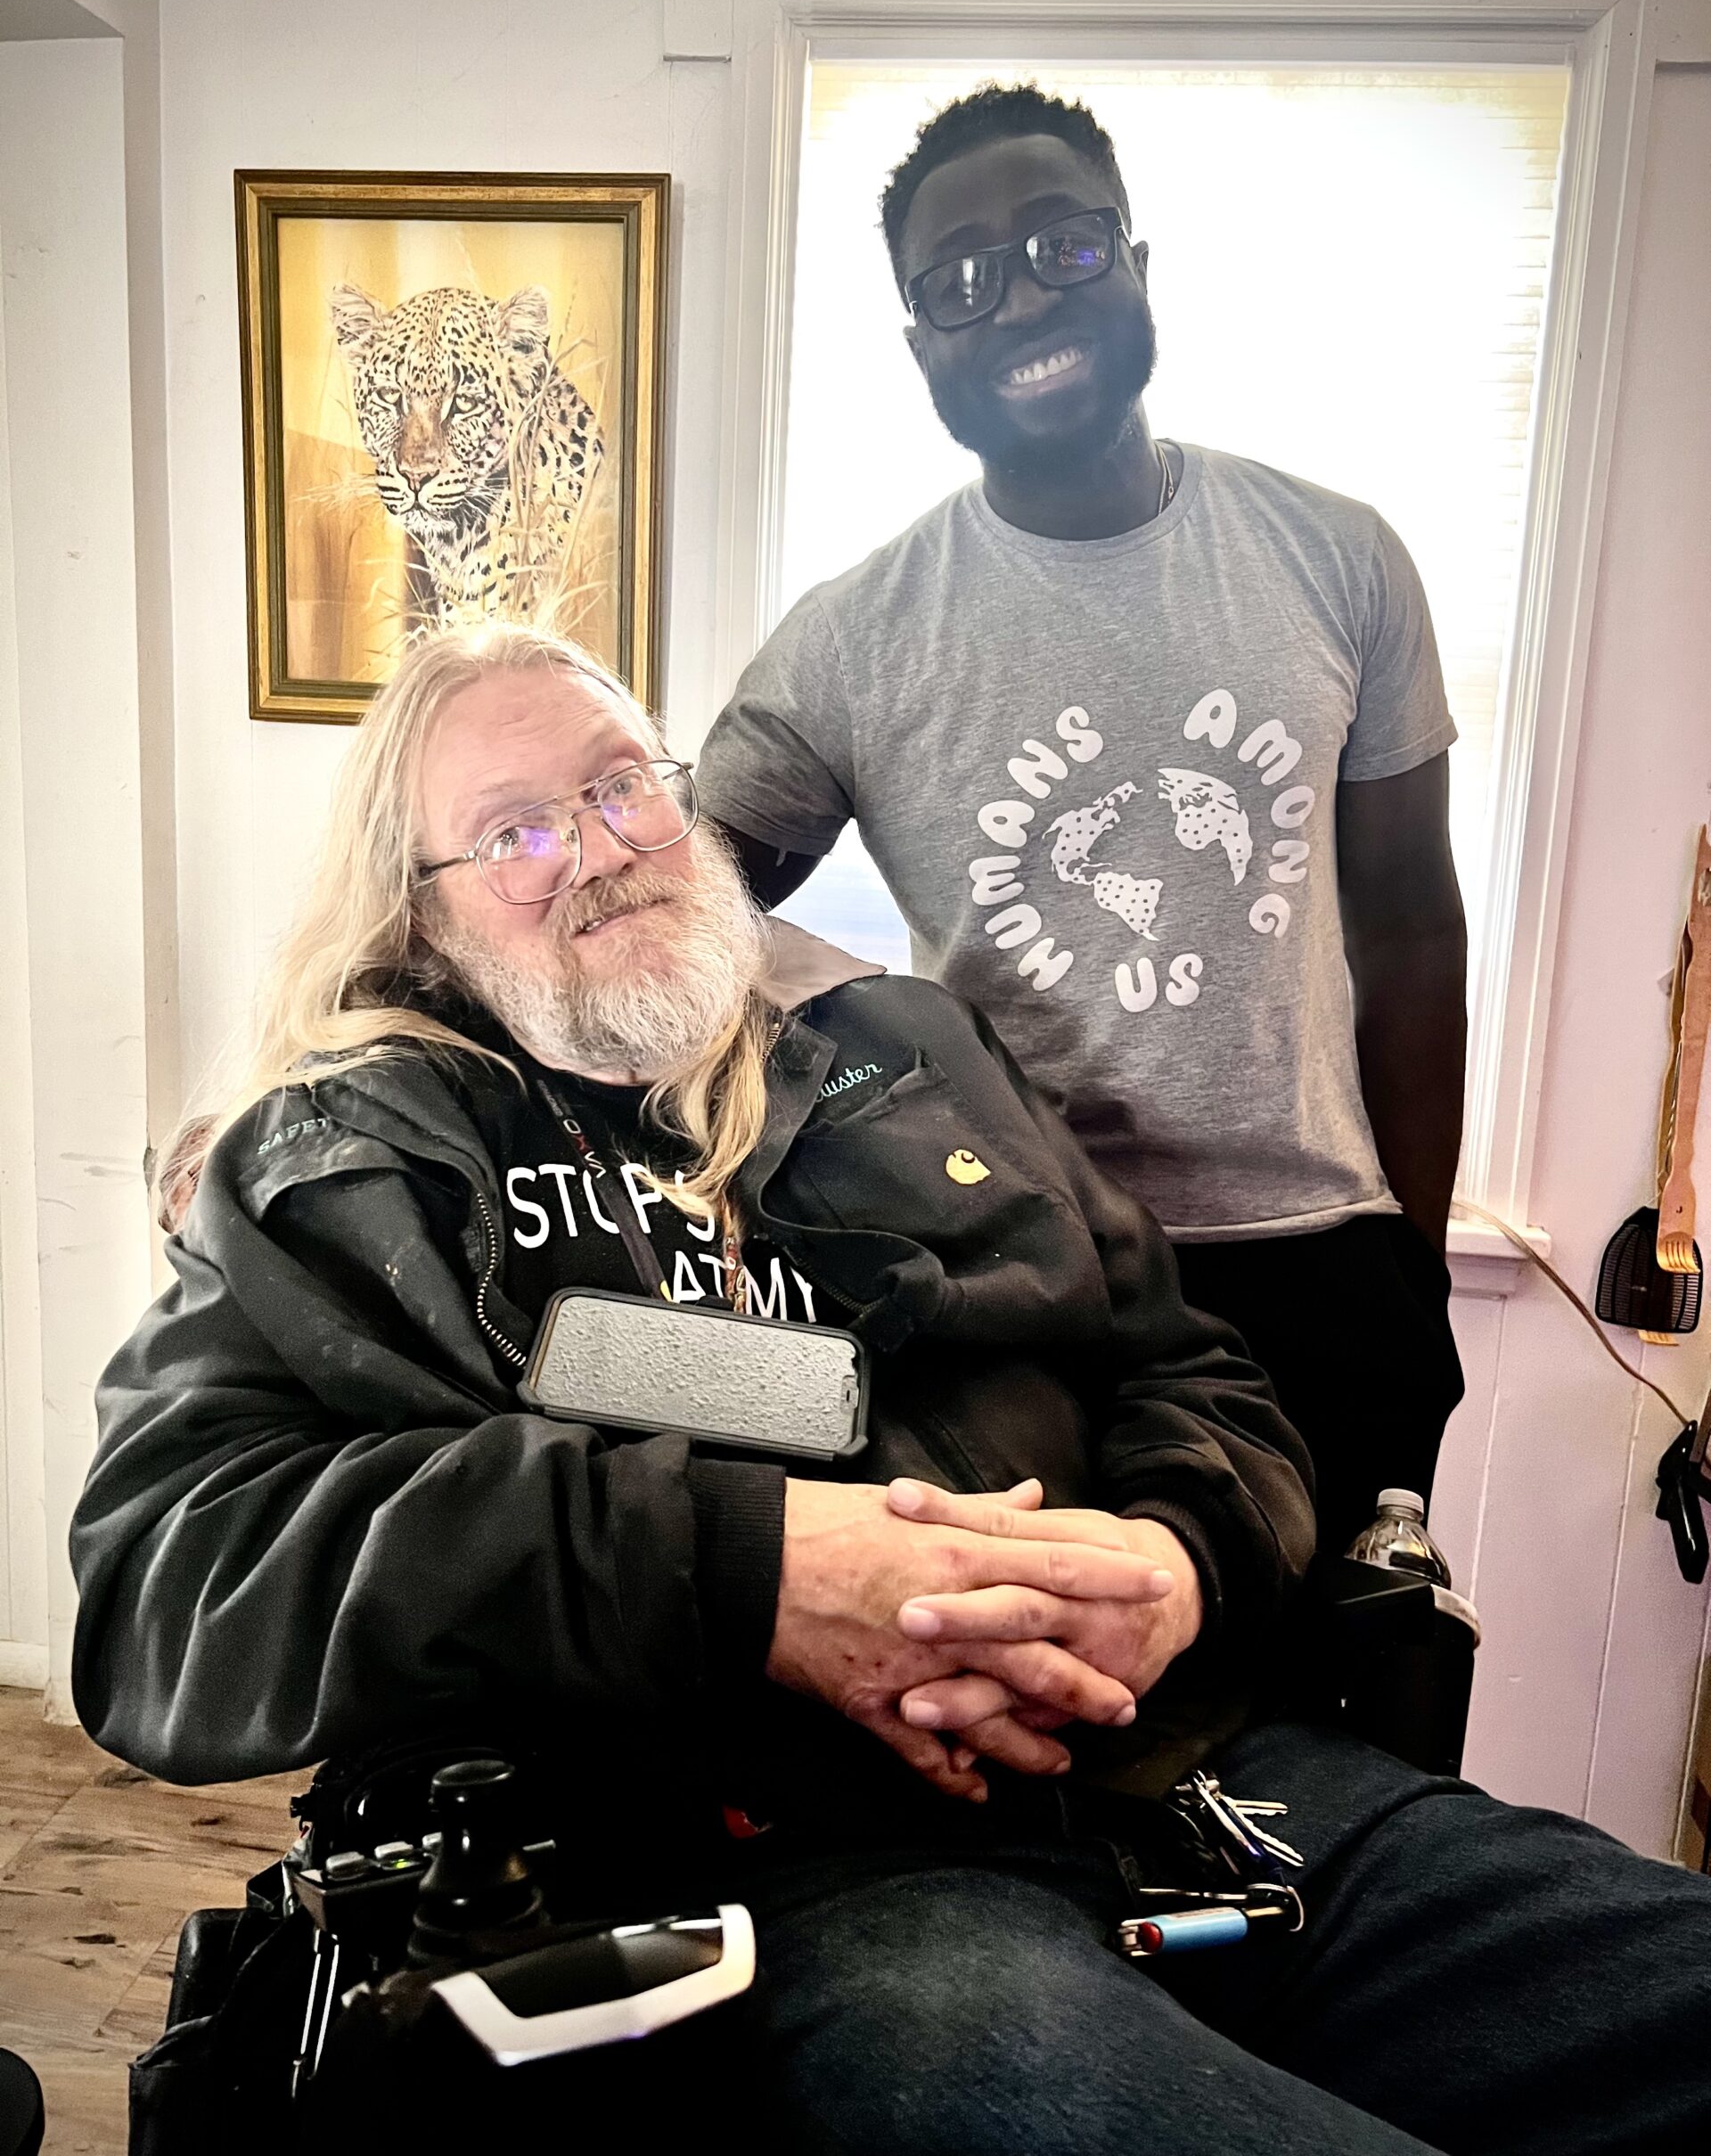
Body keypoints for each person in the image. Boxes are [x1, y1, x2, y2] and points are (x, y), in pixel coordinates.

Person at [71, 627, 1709, 2156]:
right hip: (793, 1885)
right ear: (419, 911)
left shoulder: (910, 1048)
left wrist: (1176, 1566)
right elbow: (167, 1580)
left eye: (625, 784)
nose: (601, 846)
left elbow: (1190, 1369)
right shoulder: (357, 1158)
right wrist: (748, 1569)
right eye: (515, 832)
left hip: (1205, 1785)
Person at [697, 84, 1469, 1558]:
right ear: (921, 346)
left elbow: (1416, 931)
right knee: (1036, 1682)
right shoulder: (852, 642)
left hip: (1320, 1265)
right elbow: (671, 919)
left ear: (1136, 264)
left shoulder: (1340, 559)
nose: (1021, 300)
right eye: (960, 281)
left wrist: (1414, 1267)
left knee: (1343, 1689)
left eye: (1066, 245)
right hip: (1017, 1272)